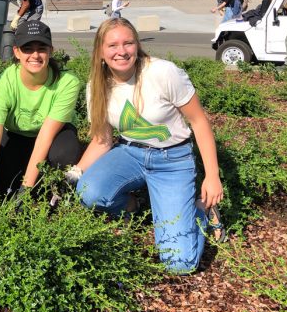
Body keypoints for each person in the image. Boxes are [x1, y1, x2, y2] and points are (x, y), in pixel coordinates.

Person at [70, 18, 225, 274]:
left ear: (137, 45)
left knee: (179, 263)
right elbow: (102, 139)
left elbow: (199, 122)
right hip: (129, 153)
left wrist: (212, 177)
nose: (121, 51)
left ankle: (200, 212)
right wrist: (76, 173)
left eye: (128, 43)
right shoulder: (96, 87)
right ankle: (134, 205)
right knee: (88, 192)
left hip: (173, 160)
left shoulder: (162, 72)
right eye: (112, 45)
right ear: (100, 51)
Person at [0, 21, 82, 200]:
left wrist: (25, 191)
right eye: (27, 49)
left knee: (64, 153)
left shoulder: (68, 82)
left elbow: (45, 137)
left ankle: (57, 185)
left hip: (54, 136)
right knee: (2, 185)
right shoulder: (3, 83)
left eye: (41, 48)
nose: (35, 55)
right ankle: (31, 174)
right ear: (16, 52)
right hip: (17, 135)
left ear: (51, 51)